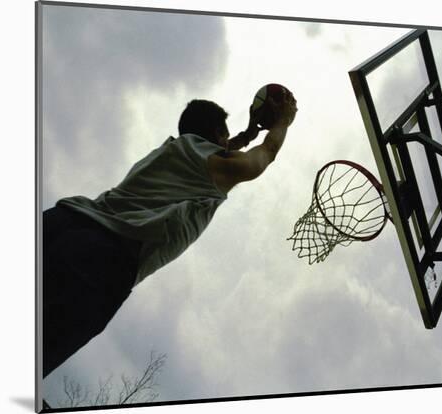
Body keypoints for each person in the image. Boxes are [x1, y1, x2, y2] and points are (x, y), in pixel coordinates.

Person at [42, 91, 298, 377]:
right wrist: (283, 122)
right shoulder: (216, 167)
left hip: (63, 220)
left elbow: (221, 148)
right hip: (101, 257)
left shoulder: (174, 151)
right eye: (224, 138)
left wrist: (247, 133)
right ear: (215, 133)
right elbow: (265, 156)